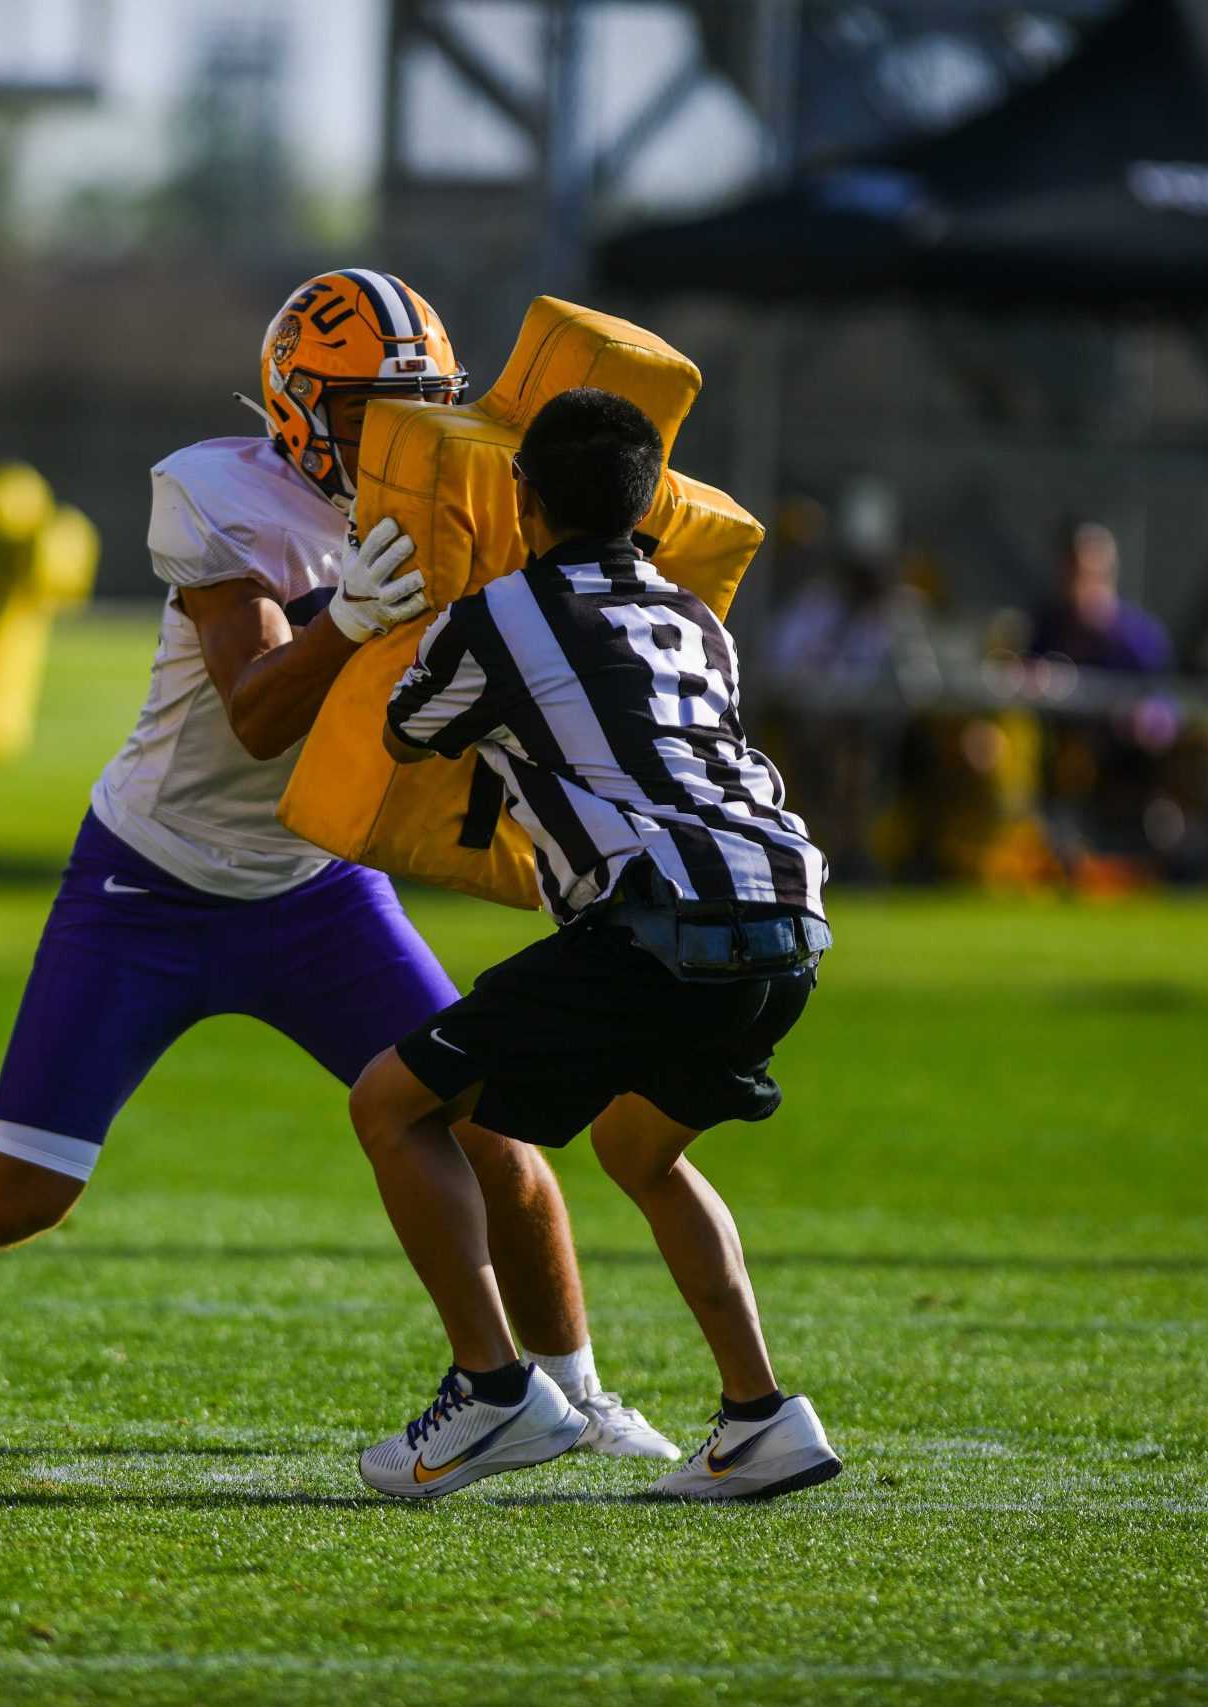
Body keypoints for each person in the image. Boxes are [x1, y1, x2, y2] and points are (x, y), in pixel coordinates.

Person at [0, 272, 674, 1462]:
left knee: (495, 1129)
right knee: (27, 1191)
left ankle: (574, 1392)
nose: (399, 436)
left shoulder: (469, 496)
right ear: (296, 411)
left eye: (420, 405)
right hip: (150, 883)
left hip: (317, 887)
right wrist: (347, 621)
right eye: (369, 411)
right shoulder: (221, 493)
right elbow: (260, 713)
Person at [347, 387, 843, 1503]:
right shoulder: (695, 620)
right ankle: (761, 1417)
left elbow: (408, 726)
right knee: (637, 1152)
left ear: (521, 495)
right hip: (788, 926)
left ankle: (494, 1388)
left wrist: (406, 591)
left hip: (657, 925)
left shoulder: (501, 616)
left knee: (390, 1105)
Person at [1027, 518, 1171, 676]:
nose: (1089, 587)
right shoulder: (1048, 627)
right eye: (1079, 575)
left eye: (1097, 575)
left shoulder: (1140, 638)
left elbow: (1155, 691)